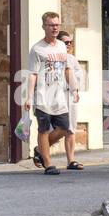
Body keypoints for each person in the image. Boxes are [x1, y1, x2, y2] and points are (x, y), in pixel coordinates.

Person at [24, 11, 74, 175]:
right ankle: (48, 163)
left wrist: (73, 88)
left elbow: (66, 68)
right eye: (51, 25)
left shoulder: (61, 46)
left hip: (58, 96)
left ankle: (39, 150)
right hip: (43, 95)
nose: (55, 28)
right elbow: (32, 74)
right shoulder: (37, 49)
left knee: (64, 129)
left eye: (57, 25)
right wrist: (29, 97)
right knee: (43, 129)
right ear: (44, 26)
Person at [58, 31, 84, 170]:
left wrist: (76, 91)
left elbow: (78, 77)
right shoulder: (55, 58)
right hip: (58, 96)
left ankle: (71, 160)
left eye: (70, 42)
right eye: (65, 42)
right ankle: (42, 151)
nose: (68, 44)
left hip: (71, 96)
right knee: (56, 129)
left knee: (71, 128)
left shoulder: (72, 59)